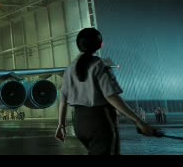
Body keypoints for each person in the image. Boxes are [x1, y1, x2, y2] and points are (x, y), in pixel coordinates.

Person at [55, 27, 157, 155]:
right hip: (99, 121)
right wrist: (138, 121)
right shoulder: (100, 65)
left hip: (79, 123)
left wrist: (61, 125)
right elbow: (111, 97)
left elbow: (63, 101)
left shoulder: (69, 69)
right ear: (100, 45)